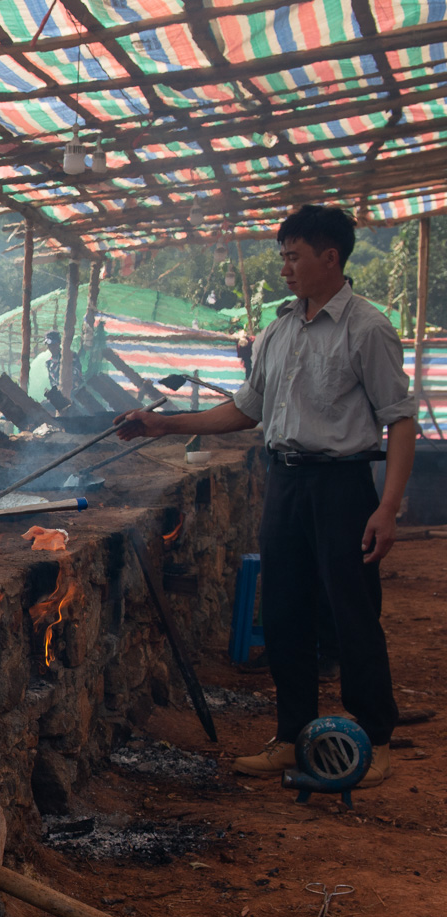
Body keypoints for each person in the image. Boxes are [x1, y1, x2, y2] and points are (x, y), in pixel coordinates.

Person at [117, 204, 416, 787]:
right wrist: (165, 424)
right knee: (283, 610)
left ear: (330, 257)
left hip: (342, 486)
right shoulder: (277, 332)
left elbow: (399, 421)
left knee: (352, 611)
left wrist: (388, 505)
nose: (285, 268)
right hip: (286, 482)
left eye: (294, 256)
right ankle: (292, 733)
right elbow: (245, 410)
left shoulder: (367, 328)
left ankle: (376, 737)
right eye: (282, 256)